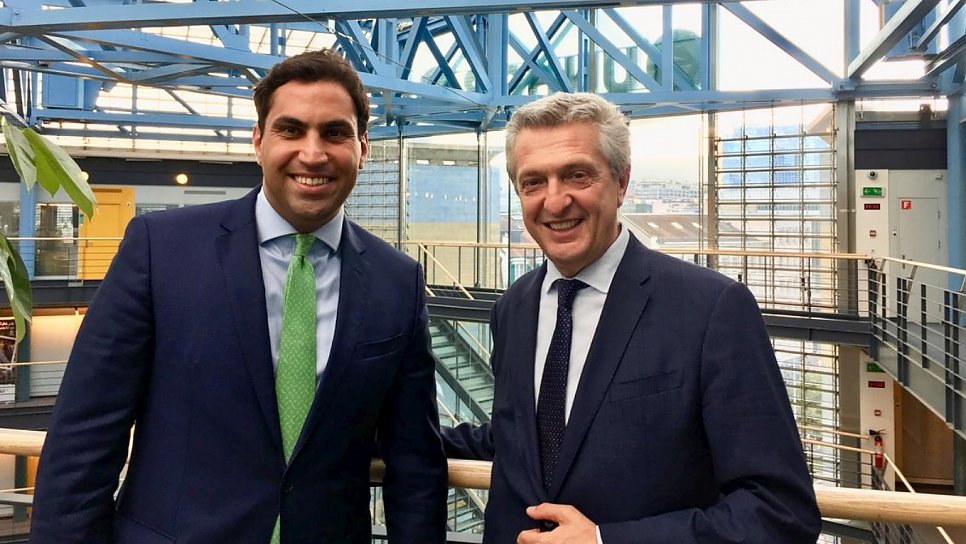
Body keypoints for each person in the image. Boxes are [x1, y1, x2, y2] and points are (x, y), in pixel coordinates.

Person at [31, 49, 447, 544]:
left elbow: (416, 463)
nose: (312, 154)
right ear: (258, 140)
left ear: (362, 147)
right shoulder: (160, 249)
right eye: (291, 130)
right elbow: (85, 433)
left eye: (334, 133)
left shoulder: (397, 281)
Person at [443, 92, 822, 544]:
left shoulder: (710, 310)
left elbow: (779, 510)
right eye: (533, 183)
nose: (555, 201)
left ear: (621, 183)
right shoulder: (514, 307)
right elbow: (528, 440)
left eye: (577, 175)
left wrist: (606, 540)